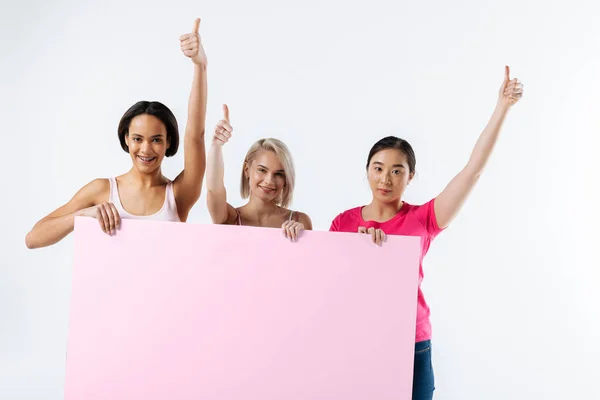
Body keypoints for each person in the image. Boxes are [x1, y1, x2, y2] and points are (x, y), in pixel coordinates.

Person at [329, 66, 523, 399]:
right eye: (378, 169)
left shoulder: (422, 219)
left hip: (412, 344)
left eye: (396, 171)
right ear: (367, 171)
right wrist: (358, 255)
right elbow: (328, 282)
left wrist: (501, 108)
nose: (386, 179)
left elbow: (472, 171)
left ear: (410, 176)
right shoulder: (343, 224)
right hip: (359, 340)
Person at [25, 18, 208, 249]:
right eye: (137, 139)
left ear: (168, 142)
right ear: (126, 138)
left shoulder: (179, 194)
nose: (146, 149)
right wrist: (83, 215)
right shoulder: (102, 190)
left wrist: (200, 66)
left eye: (156, 140)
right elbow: (33, 239)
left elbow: (196, 136)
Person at [206, 104, 312, 240]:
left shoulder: (299, 220)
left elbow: (309, 261)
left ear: (286, 180)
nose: (269, 180)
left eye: (279, 174)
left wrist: (303, 238)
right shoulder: (229, 218)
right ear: (247, 170)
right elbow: (214, 190)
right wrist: (216, 145)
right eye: (262, 170)